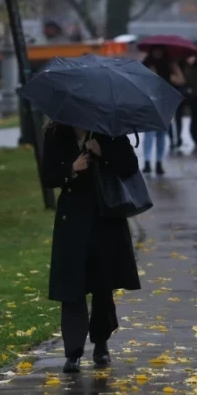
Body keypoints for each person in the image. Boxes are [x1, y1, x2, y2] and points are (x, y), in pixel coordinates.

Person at [41, 120, 142, 373]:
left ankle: (101, 343)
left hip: (104, 215)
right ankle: (73, 352)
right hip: (72, 218)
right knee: (71, 287)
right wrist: (71, 169)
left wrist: (102, 152)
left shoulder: (109, 130)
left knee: (101, 283)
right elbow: (48, 176)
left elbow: (130, 166)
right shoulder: (55, 132)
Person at [142, 46, 185, 174]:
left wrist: (175, 66)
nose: (157, 52)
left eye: (160, 50)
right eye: (155, 49)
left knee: (161, 134)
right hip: (150, 102)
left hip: (165, 104)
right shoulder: (146, 64)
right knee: (149, 134)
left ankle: (159, 162)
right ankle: (147, 162)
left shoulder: (168, 66)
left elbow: (181, 81)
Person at [171, 58, 193, 150]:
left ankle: (178, 137)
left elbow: (184, 81)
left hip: (180, 95)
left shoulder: (185, 66)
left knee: (178, 118)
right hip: (170, 95)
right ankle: (172, 139)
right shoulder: (169, 65)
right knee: (170, 120)